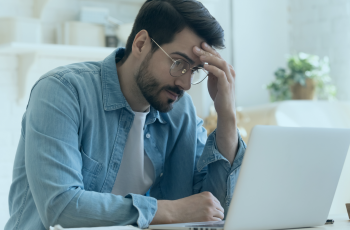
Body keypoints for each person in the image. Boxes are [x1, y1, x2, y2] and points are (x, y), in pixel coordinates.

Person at [5, 0, 246, 229]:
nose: (185, 83)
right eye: (178, 63)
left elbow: (215, 209)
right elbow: (60, 208)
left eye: (193, 70)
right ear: (141, 43)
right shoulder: (62, 92)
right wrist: (171, 211)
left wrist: (226, 115)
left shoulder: (180, 113)